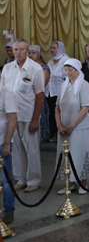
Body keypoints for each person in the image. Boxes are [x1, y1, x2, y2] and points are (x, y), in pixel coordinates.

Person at [3, 40, 45, 192]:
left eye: (21, 50)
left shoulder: (35, 68)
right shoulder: (7, 69)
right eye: (15, 50)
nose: (18, 52)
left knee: (31, 148)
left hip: (28, 115)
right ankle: (21, 178)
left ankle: (34, 180)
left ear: (27, 51)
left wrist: (35, 119)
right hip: (11, 116)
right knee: (15, 149)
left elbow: (40, 95)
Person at [53, 58, 89, 195]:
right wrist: (59, 125)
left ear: (77, 70)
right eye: (66, 70)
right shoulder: (63, 85)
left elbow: (85, 109)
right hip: (64, 127)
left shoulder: (84, 85)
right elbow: (57, 107)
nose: (68, 72)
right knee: (65, 155)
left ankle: (82, 183)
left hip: (79, 127)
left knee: (79, 154)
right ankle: (68, 183)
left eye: (71, 70)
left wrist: (71, 126)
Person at [0, 75, 18, 224]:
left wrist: (7, 142)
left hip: (1, 141)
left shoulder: (6, 92)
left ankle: (8, 210)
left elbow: (13, 117)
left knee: (5, 179)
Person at [27, 46, 51, 142]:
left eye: (33, 53)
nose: (30, 55)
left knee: (38, 130)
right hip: (27, 99)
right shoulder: (27, 67)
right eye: (29, 53)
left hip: (38, 99)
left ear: (38, 54)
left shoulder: (44, 68)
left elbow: (41, 86)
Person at [46, 41, 68, 142]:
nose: (52, 50)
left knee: (60, 113)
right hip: (50, 92)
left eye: (54, 48)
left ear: (60, 49)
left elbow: (67, 78)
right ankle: (53, 133)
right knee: (51, 114)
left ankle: (61, 133)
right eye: (51, 48)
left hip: (61, 92)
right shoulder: (50, 61)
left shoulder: (65, 60)